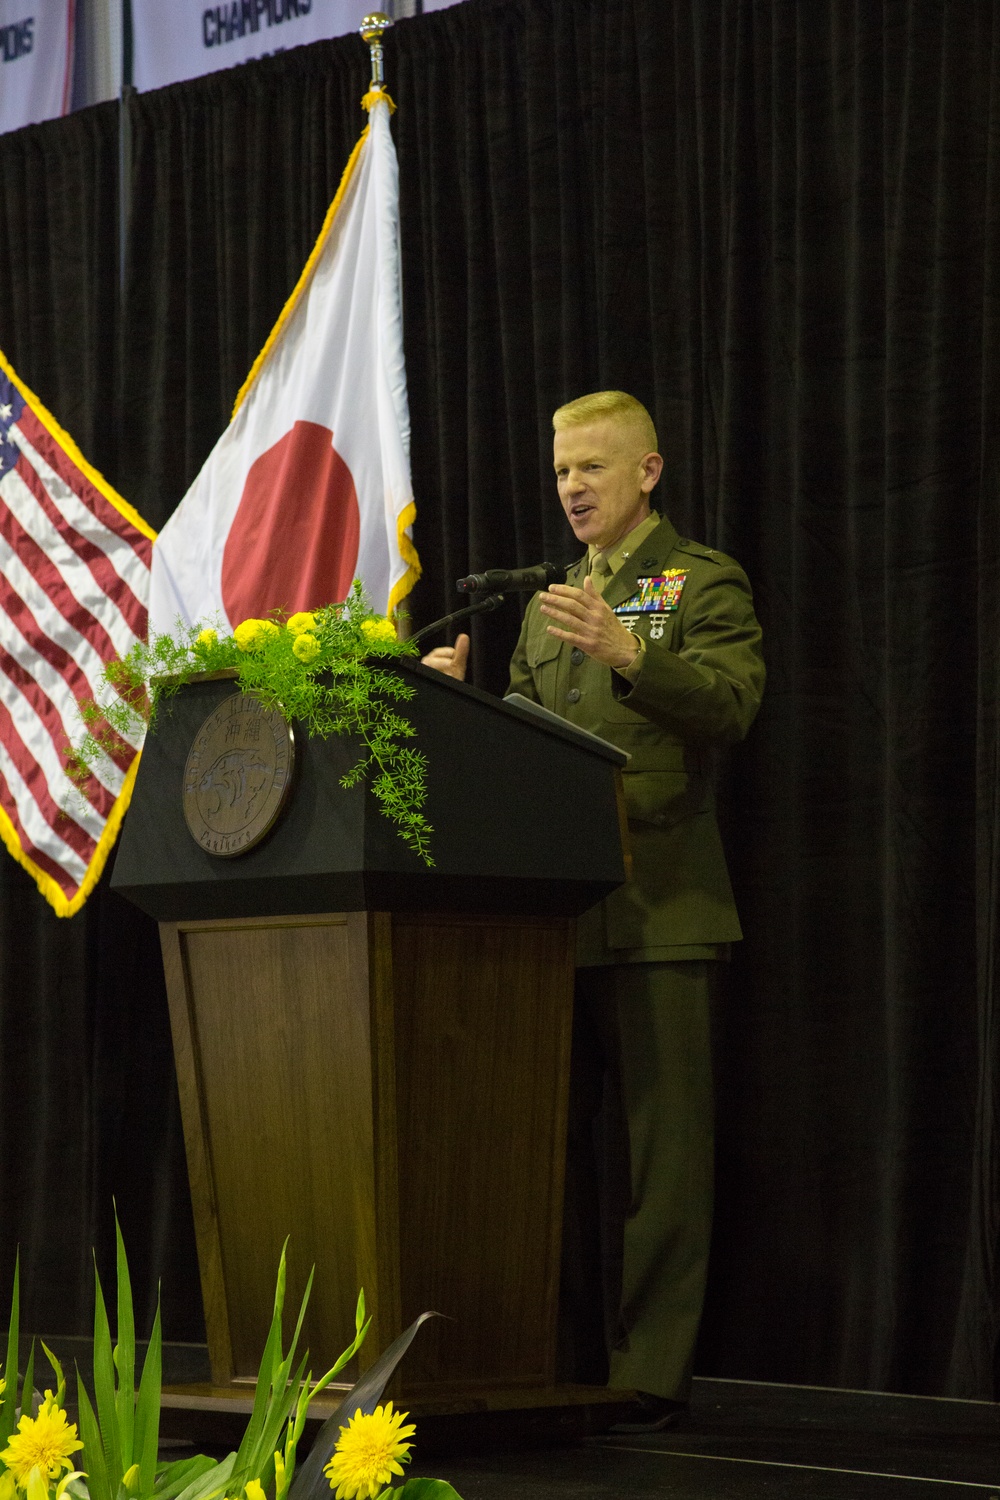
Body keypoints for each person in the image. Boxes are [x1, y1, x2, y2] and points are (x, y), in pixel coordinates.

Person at [422, 391, 764, 1427]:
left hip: (663, 909)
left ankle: (647, 1374)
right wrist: (453, 707)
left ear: (647, 473)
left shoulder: (696, 580)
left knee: (665, 1165)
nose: (572, 487)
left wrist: (631, 655)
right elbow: (528, 750)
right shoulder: (544, 604)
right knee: (540, 1158)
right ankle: (551, 1357)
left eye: (593, 469)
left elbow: (732, 704)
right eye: (562, 470)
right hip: (554, 921)